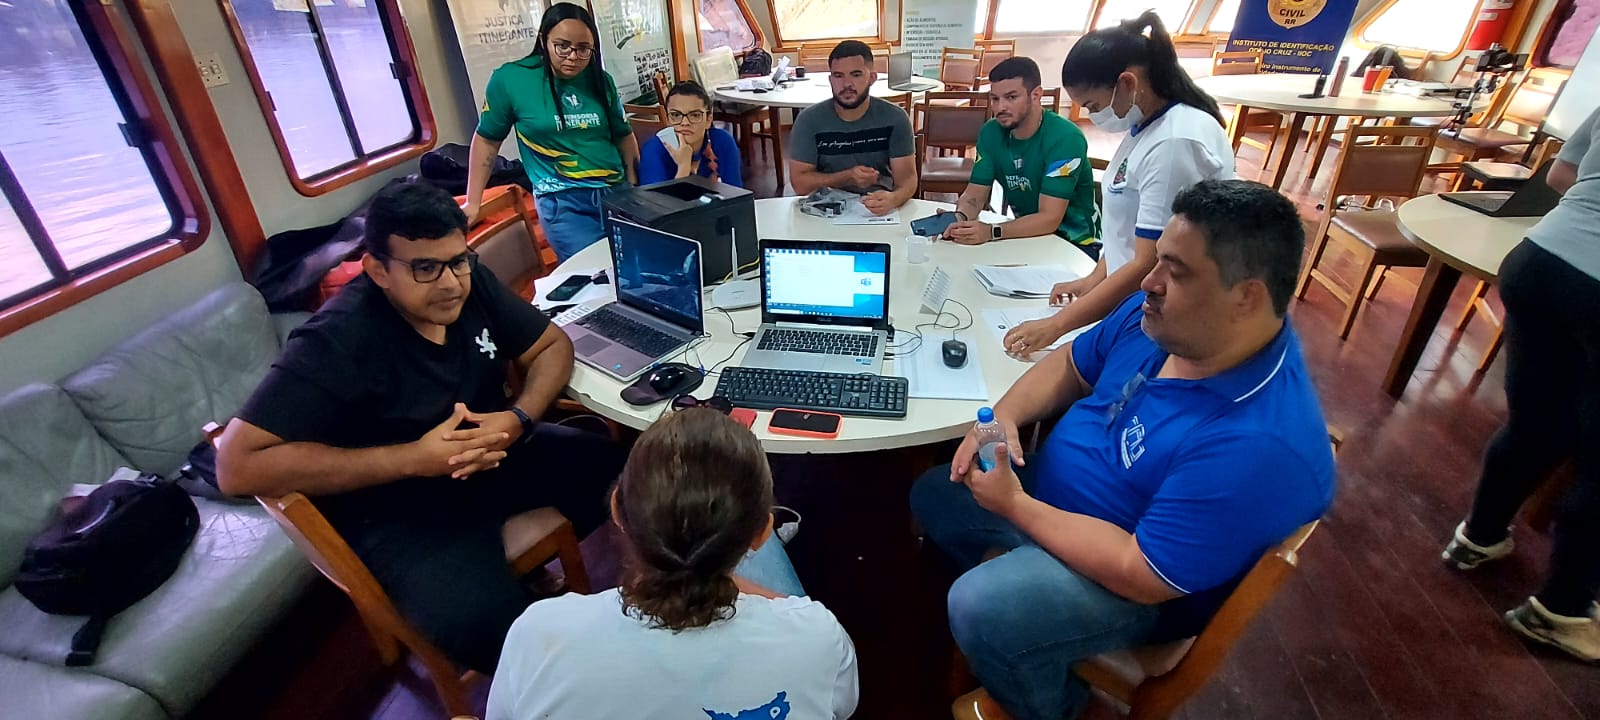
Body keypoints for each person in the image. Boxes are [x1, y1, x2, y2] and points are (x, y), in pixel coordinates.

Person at [911, 180, 1335, 720]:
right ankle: (1029, 623)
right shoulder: (1162, 318)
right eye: (1158, 260)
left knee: (982, 605)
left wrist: (1016, 507)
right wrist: (1007, 417)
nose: (1148, 283)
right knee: (935, 490)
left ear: (1246, 296)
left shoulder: (1257, 445)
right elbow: (1071, 364)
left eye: (1176, 272)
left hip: (1134, 584)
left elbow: (1140, 571)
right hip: (1056, 507)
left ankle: (1056, 706)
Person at [216, 182, 621, 674]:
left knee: (613, 471)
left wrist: (518, 419)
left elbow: (552, 346)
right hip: (400, 508)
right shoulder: (336, 340)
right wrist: (414, 458)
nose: (450, 283)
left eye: (458, 260)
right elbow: (236, 466)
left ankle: (529, 572)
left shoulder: (467, 282)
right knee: (496, 636)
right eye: (424, 268)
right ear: (377, 270)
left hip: (492, 458)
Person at [487, 408, 858, 719]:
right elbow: (841, 708)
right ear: (761, 533)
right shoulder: (816, 637)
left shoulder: (538, 636)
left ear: (617, 508)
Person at [1441, 105, 1600, 662]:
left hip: (1542, 260)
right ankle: (1562, 610)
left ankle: (1477, 539)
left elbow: (1561, 175)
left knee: (1536, 422)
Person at [1002, 11, 1234, 358]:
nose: (1094, 115)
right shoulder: (1147, 127)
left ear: (1127, 83)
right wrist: (1091, 282)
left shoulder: (1175, 141)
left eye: (1093, 105)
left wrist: (1057, 325)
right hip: (1128, 300)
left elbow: (1147, 262)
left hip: (1163, 315)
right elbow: (1128, 231)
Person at [463, 3, 638, 261]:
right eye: (562, 45)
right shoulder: (511, 79)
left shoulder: (601, 80)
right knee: (594, 275)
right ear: (544, 39)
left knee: (634, 271)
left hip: (617, 193)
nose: (572, 56)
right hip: (563, 202)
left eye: (583, 49)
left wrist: (634, 186)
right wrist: (473, 202)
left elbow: (623, 135)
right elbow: (487, 141)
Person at [944, 56, 1100, 257]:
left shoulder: (1066, 138)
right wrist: (960, 218)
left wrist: (992, 231)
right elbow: (975, 195)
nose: (1000, 108)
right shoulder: (991, 132)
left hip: (1077, 244)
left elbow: (1049, 218)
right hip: (1026, 236)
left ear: (1036, 95)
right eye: (995, 98)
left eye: (1011, 97)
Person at [788, 40, 918, 215]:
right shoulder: (809, 120)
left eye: (856, 75)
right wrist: (847, 177)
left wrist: (893, 198)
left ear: (872, 78)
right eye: (838, 76)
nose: (846, 84)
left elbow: (907, 179)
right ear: (830, 79)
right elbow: (800, 184)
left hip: (878, 208)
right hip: (823, 209)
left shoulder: (895, 118)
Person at [638, 80, 744, 188]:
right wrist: (683, 167)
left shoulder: (722, 141)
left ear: (708, 119)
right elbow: (656, 203)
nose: (685, 123)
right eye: (676, 115)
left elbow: (737, 195)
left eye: (695, 115)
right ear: (668, 119)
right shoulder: (654, 149)